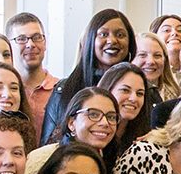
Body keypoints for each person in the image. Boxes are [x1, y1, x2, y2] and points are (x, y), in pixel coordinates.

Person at [39, 9, 137, 145]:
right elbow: (47, 146)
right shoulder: (64, 90)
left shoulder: (144, 90)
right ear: (91, 40)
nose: (112, 40)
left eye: (120, 35)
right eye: (103, 34)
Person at [21, 87, 116, 174]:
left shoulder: (115, 163)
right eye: (93, 114)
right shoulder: (42, 159)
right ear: (71, 123)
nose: (105, 123)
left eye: (111, 117)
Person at [98, 63, 159, 174]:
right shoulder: (93, 135)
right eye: (125, 90)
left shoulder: (145, 140)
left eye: (140, 93)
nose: (134, 98)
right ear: (108, 90)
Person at [6, 13, 60, 132]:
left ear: (45, 43)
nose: (30, 44)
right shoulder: (4, 93)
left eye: (37, 37)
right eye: (21, 39)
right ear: (9, 46)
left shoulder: (62, 91)